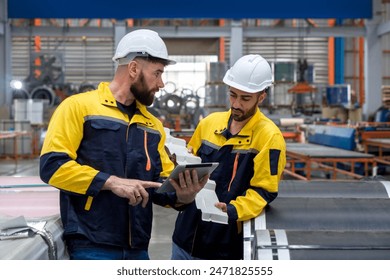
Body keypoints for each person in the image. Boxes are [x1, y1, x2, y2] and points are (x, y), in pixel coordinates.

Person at [39, 29, 208, 260]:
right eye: (157, 73)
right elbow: (52, 167)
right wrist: (109, 182)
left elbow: (160, 185)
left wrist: (184, 196)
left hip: (138, 247)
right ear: (134, 69)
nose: (161, 83)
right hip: (92, 243)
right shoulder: (78, 108)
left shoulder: (152, 125)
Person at [171, 54, 287, 260]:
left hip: (224, 246)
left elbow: (264, 192)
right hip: (184, 238)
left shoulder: (269, 137)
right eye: (233, 95)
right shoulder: (209, 124)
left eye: (245, 98)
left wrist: (232, 210)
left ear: (261, 97)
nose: (236, 104)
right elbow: (189, 163)